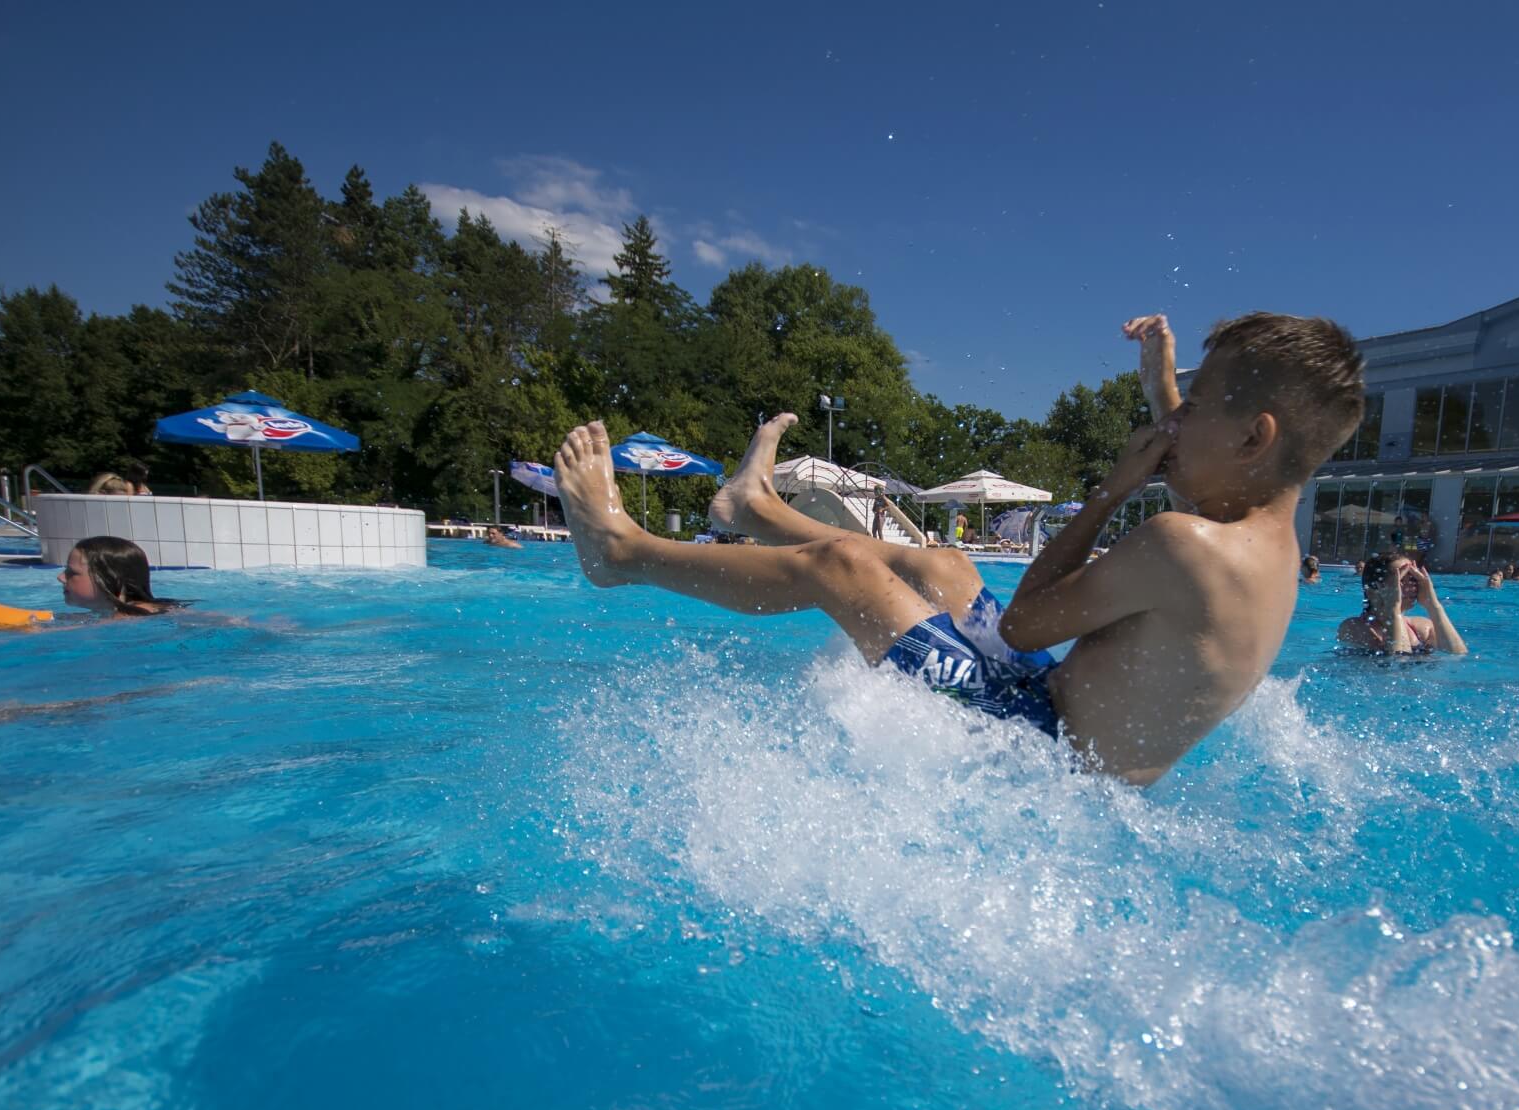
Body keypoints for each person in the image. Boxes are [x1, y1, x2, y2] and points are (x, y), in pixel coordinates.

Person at [554, 310, 1367, 785]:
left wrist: (1111, 491)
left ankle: (621, 553)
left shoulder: (1182, 543)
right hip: (1063, 725)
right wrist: (1165, 395)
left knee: (844, 571)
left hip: (1038, 755)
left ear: (1255, 437)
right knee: (943, 564)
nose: (1171, 426)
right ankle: (757, 511)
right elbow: (1208, 486)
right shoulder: (1264, 548)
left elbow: (1021, 625)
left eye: (1194, 409)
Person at [1336, 552, 1468, 655]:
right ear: (1372, 591)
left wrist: (1433, 606)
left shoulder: (1422, 626)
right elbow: (1397, 665)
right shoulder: (1353, 627)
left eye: (1414, 579)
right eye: (1400, 580)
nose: (1412, 587)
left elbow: (1457, 656)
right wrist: (1394, 609)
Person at [59, 536, 182, 616]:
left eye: (73, 572)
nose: (61, 577)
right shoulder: (108, 612)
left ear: (111, 580)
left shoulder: (129, 616)